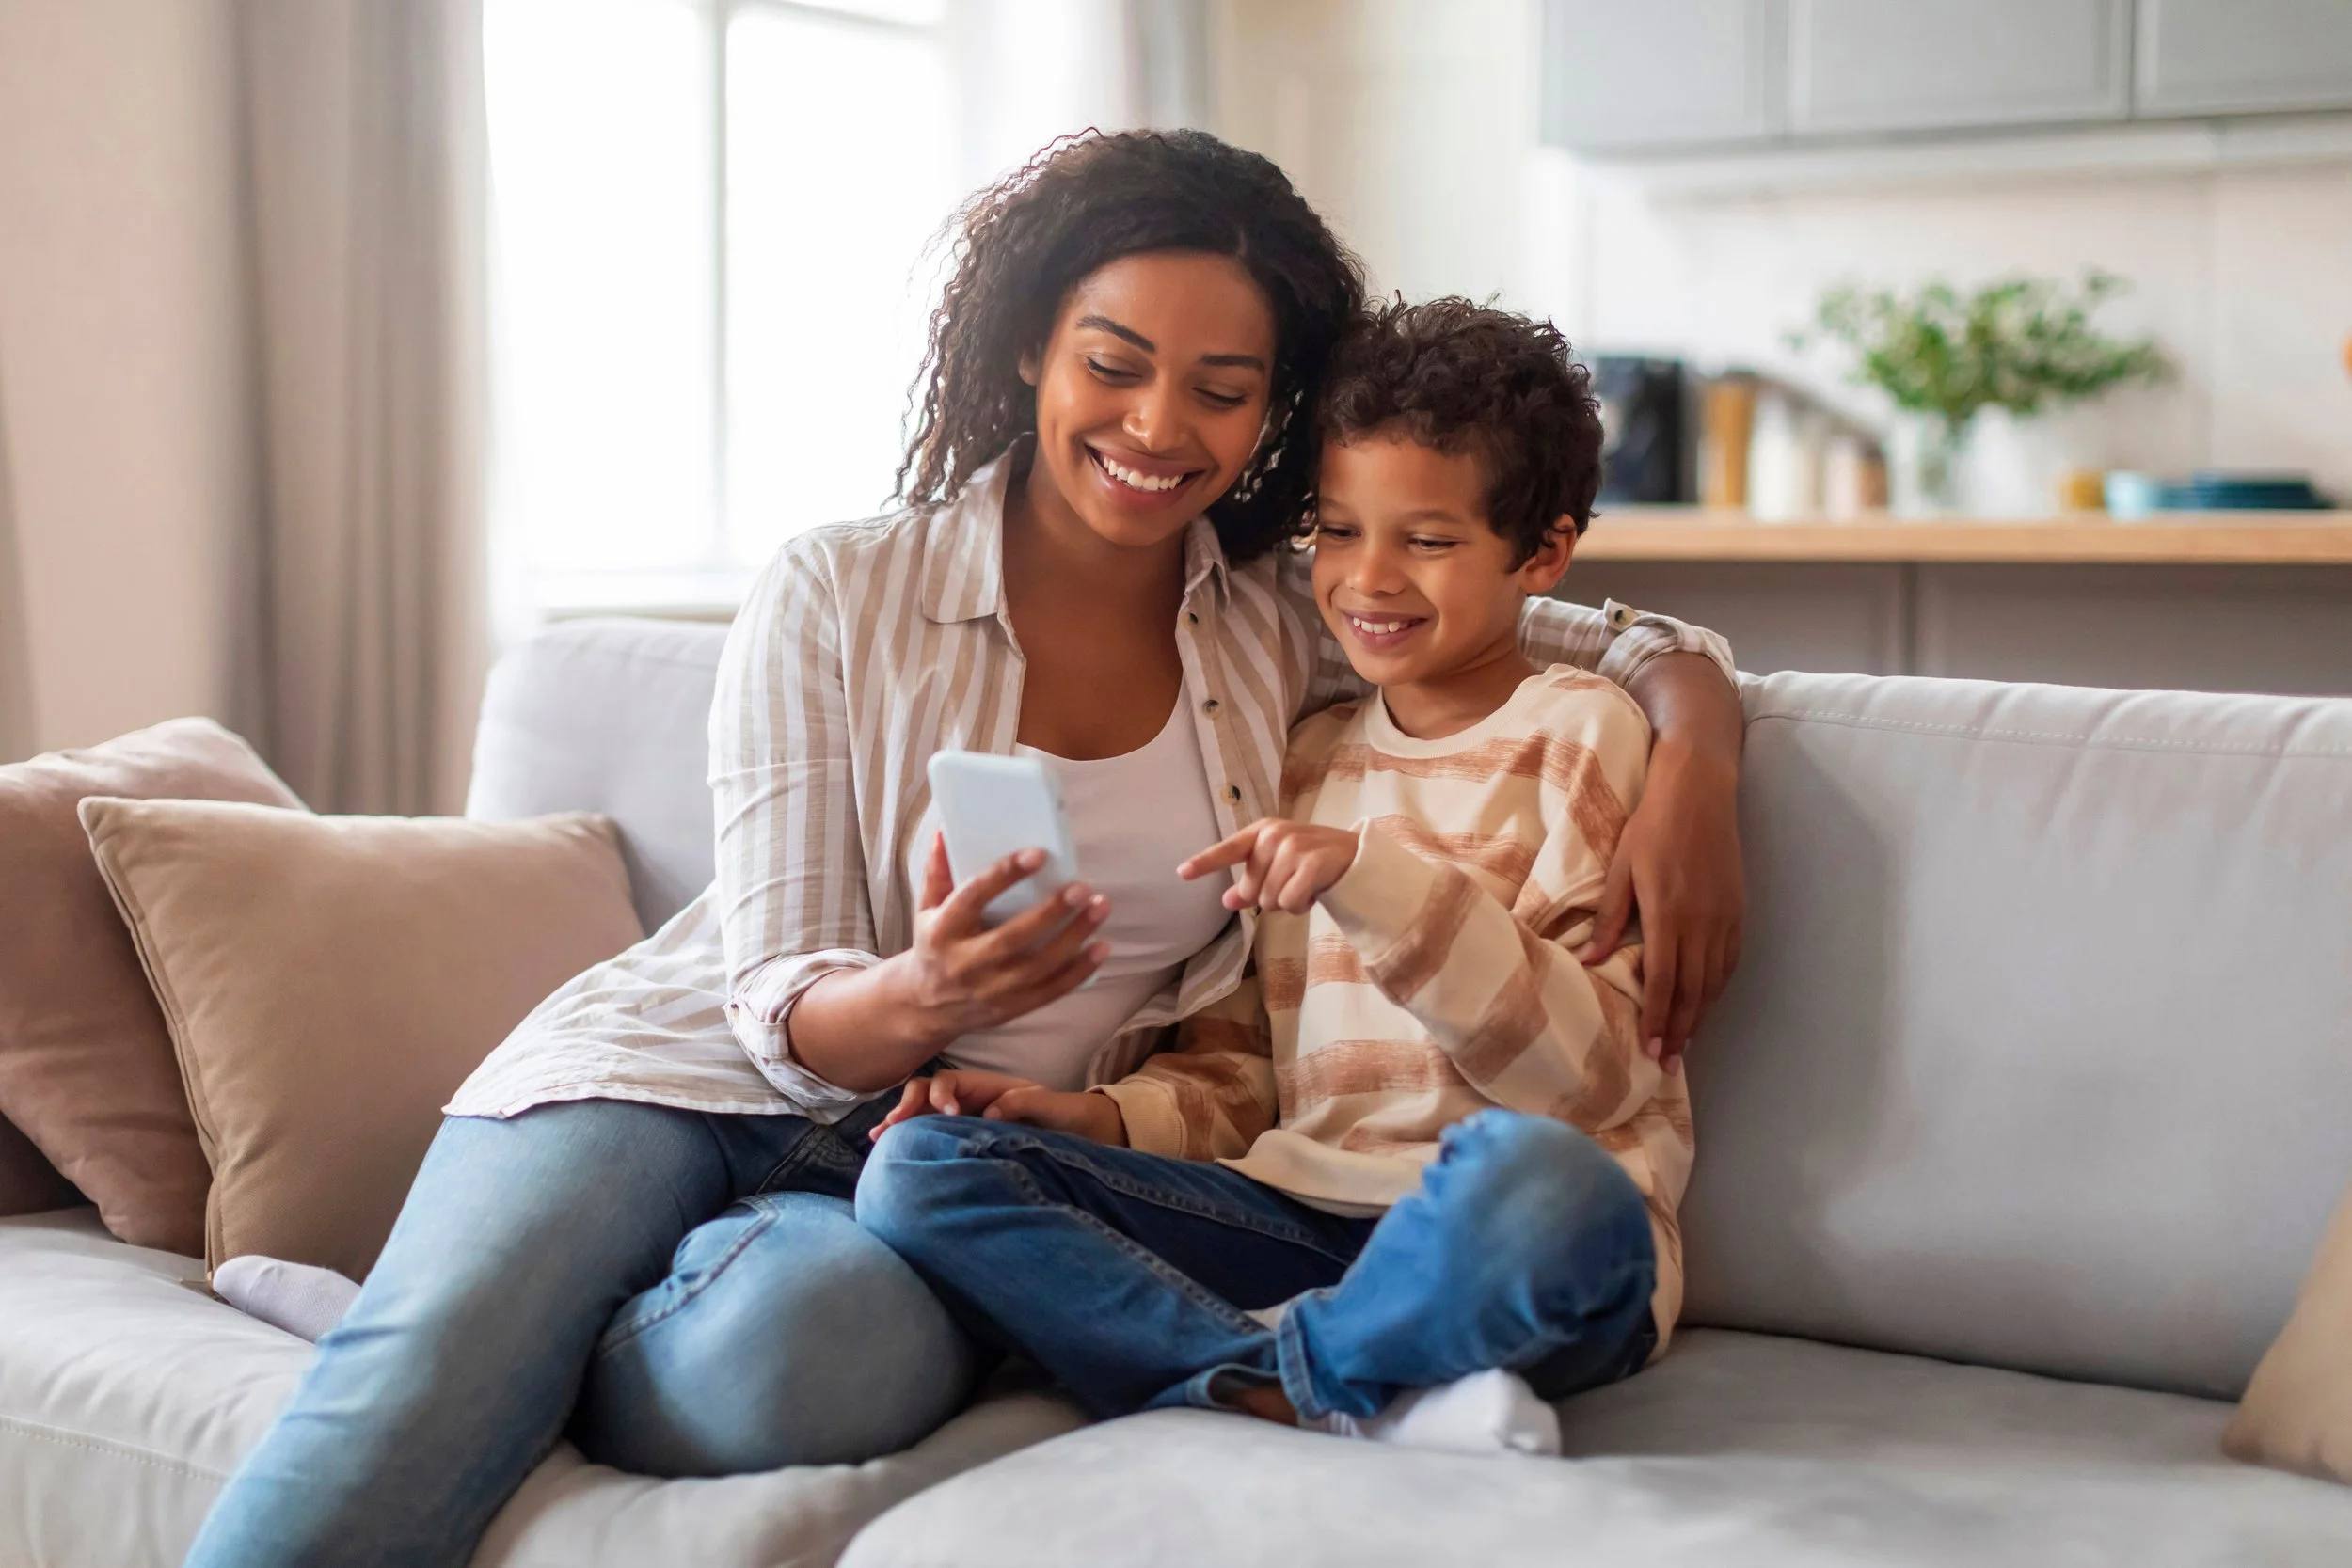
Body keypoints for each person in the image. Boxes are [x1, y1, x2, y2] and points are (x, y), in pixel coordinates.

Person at [186, 132, 1742, 1568]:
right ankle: (447, 1328)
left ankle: (474, 1331)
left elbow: (1570, 626)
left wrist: (1697, 747)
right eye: (1115, 364)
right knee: (428, 1379)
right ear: (1028, 347)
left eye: (1221, 386)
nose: (1159, 425)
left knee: (805, 1367)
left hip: (928, 1155)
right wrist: (920, 994)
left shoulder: (1291, 612)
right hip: (685, 1082)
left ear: (1272, 410)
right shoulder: (840, 589)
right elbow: (775, 986)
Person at [858, 299, 1687, 1455]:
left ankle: (1292, 1375)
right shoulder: (1304, 751)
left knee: (1545, 1181)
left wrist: (1375, 880)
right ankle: (1322, 1380)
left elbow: (1590, 1078)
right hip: (1305, 1220)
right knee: (921, 1166)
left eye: (1429, 540)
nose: (1367, 579)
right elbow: (1252, 1059)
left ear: (1540, 553)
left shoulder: (1584, 735)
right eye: (1337, 531)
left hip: (1504, 1228)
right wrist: (1100, 1115)